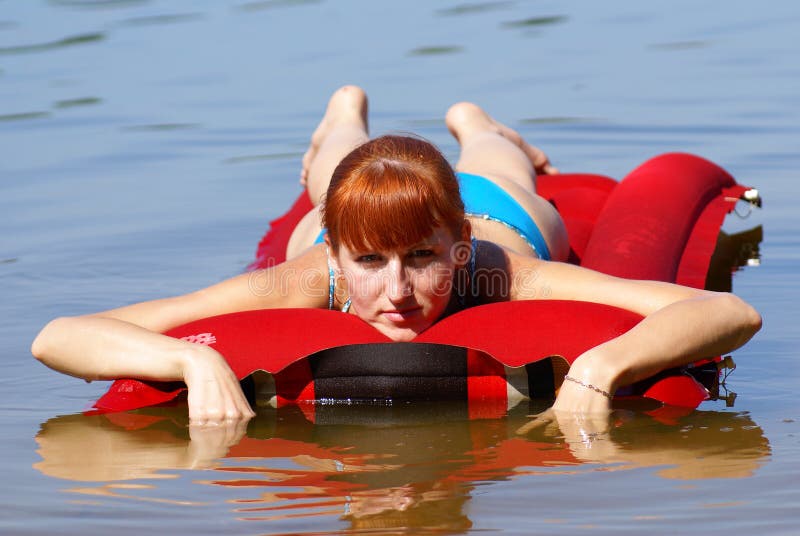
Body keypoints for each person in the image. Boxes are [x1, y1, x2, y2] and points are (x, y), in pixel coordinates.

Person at [31, 85, 761, 426]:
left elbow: (729, 311)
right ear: (342, 260)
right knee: (338, 171)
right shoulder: (308, 275)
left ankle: (474, 119)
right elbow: (55, 336)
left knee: (498, 167)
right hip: (334, 215)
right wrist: (192, 359)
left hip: (494, 209)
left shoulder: (498, 269)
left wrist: (606, 365)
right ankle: (342, 114)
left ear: (458, 248)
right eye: (372, 264)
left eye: (422, 259)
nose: (399, 291)